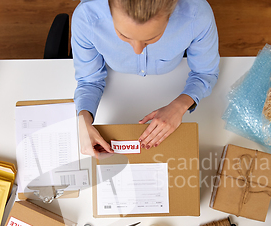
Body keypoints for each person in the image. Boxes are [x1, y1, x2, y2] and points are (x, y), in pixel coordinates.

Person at [71, 0, 219, 158]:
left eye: (152, 38)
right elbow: (89, 80)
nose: (137, 50)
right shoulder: (87, 17)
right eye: (124, 35)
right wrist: (83, 120)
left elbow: (205, 72)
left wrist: (180, 106)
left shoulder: (196, 14)